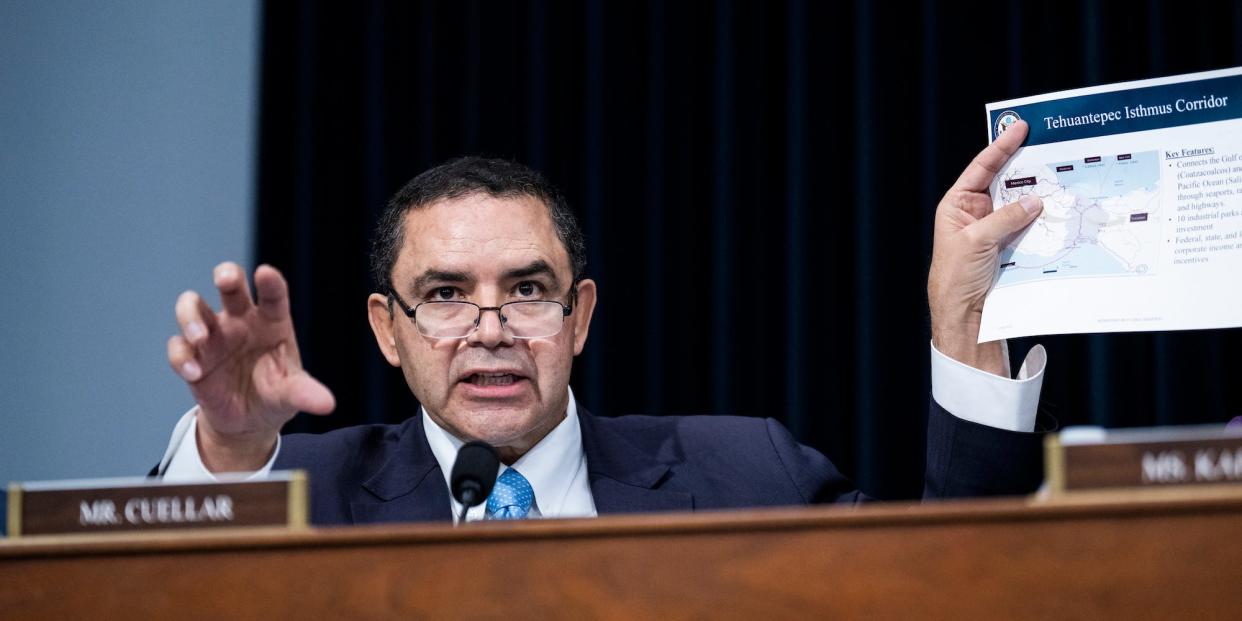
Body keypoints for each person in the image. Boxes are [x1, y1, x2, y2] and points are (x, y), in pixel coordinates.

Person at [158, 121, 1050, 523]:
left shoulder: (747, 474)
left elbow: (957, 589)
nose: (492, 327)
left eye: (529, 288)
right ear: (387, 330)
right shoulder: (295, 493)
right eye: (444, 295)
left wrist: (962, 314)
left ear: (580, 315)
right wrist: (231, 451)